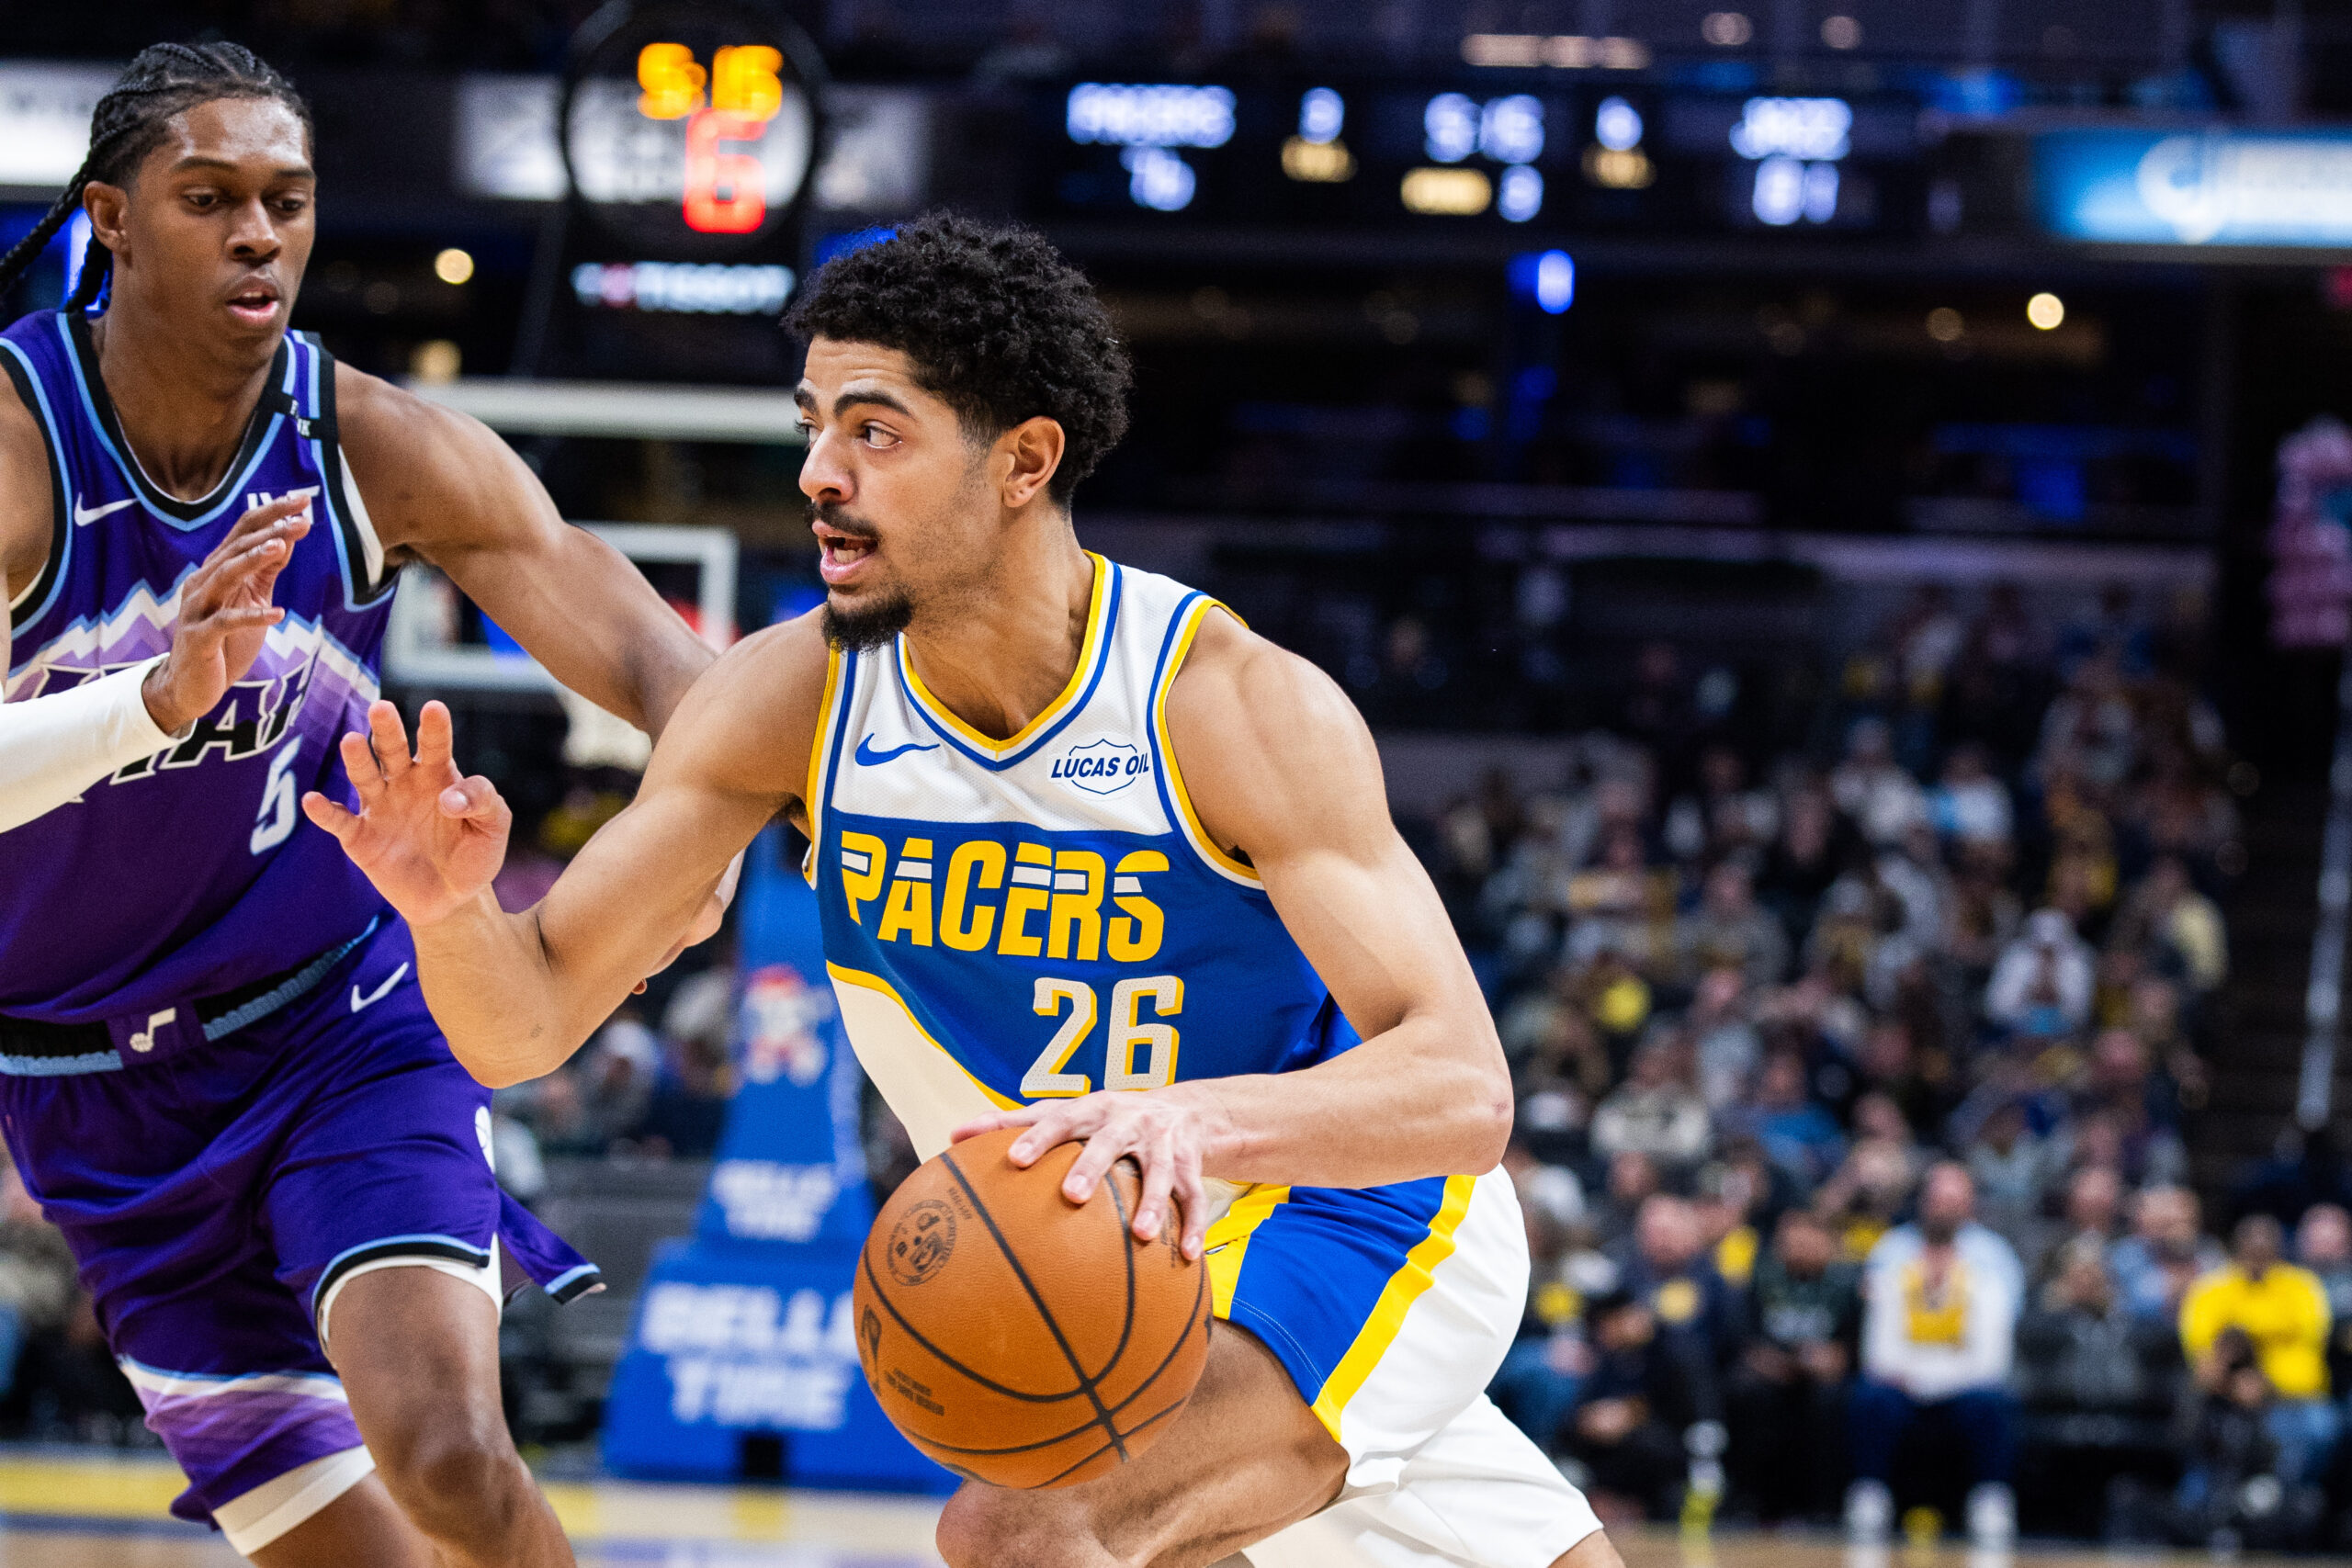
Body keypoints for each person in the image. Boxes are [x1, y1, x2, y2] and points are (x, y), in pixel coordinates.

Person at [305, 214, 1619, 1568]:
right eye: (815, 423)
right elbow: (519, 1027)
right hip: (1111, 1267)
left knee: (1022, 1531)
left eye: (875, 431)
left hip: (1353, 1216)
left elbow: (1465, 1092)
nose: (820, 470)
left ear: (1023, 461)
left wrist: (1184, 1124)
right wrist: (448, 910)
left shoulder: (1228, 703)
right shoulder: (790, 697)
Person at [0, 44, 718, 1565]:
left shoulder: (364, 445)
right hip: (91, 1099)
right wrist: (149, 700)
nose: (260, 233)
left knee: (451, 1451)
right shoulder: (19, 458)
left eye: (287, 200)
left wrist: (700, 811)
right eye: (210, 199)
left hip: (339, 1027)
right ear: (113, 221)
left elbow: (652, 648)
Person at [1846, 1163, 2024, 1547]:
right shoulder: (1893, 1256)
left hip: (1964, 1387)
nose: (1945, 1210)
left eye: (1954, 1200)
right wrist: (1919, 1377)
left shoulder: (1989, 1263)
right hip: (1904, 1386)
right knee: (1870, 1398)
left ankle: (1991, 1500)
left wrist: (1935, 1378)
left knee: (1992, 1403)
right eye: (1939, 1199)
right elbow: (1878, 1351)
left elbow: (1993, 1357)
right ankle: (1869, 1496)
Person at [2178, 1214, 2337, 1489]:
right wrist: (2234, 1383)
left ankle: (2282, 1503)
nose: (2258, 1252)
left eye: (2266, 1247)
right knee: (2200, 1433)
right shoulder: (2212, 1288)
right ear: (2236, 1247)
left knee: (2322, 1427)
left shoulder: (2302, 1286)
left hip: (2293, 1400)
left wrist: (2263, 1377)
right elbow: (2203, 1356)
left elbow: (2311, 1343)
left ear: (2279, 1249)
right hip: (2227, 1400)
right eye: (2251, 1246)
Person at [1727, 1209, 1859, 1522]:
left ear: (1828, 1243)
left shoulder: (1847, 1286)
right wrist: (1778, 1363)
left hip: (1823, 1379)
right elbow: (1745, 1343)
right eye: (1792, 1239)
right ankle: (1750, 1502)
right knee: (1747, 1391)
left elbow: (1853, 1348)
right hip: (1773, 1374)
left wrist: (1833, 1360)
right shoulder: (1761, 1280)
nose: (1800, 1246)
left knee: (1830, 1399)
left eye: (1809, 1238)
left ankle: (1824, 1507)